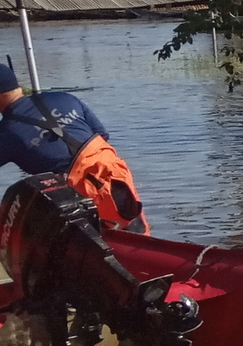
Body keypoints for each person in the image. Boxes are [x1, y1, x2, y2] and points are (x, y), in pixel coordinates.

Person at [0, 62, 148, 231]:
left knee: (113, 245)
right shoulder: (64, 98)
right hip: (116, 173)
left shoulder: (7, 133)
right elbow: (102, 134)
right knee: (138, 236)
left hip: (86, 191)